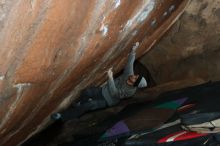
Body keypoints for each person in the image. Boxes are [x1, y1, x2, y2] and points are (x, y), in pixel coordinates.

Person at [51, 46, 147, 121]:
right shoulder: (129, 74)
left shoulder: (130, 92)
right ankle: (79, 106)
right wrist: (134, 50)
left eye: (135, 78)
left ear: (135, 84)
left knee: (90, 105)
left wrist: (110, 78)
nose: (134, 76)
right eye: (136, 76)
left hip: (108, 100)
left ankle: (62, 116)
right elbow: (130, 63)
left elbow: (114, 93)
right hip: (103, 90)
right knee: (87, 92)